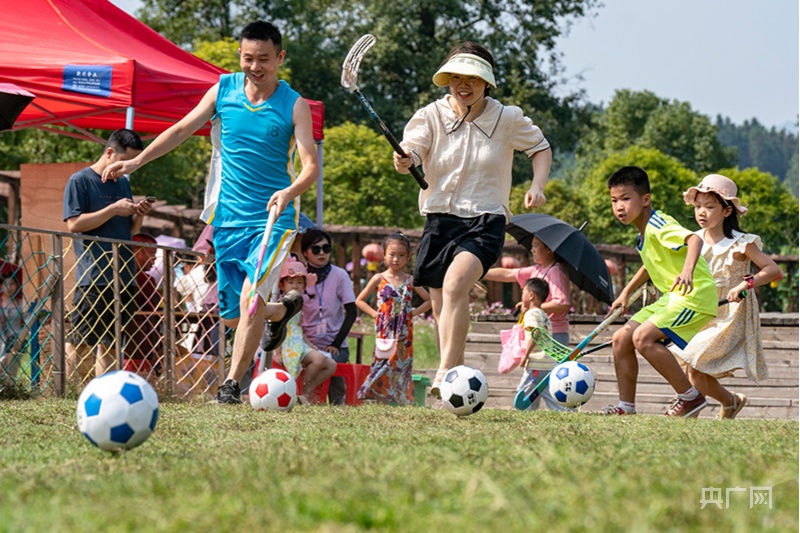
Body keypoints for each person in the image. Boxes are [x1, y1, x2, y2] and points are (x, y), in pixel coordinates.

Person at [103, 21, 320, 404]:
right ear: (240, 56)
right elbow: (183, 129)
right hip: (228, 219)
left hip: (273, 219)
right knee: (234, 316)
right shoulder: (224, 90)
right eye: (248, 58)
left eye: (264, 59)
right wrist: (136, 162)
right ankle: (279, 312)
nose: (255, 67)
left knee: (248, 300)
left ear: (280, 58)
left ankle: (231, 385)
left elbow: (310, 167)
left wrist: (289, 191)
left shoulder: (294, 104)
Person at [394, 41, 552, 396]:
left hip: (485, 219)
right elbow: (413, 150)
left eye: (472, 79)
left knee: (454, 286)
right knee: (442, 307)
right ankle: (457, 389)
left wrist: (537, 184)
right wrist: (407, 160)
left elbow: (541, 148)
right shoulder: (431, 115)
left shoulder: (506, 118)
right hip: (439, 220)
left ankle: (445, 370)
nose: (462, 85)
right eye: (454, 78)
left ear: (487, 82)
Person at [603, 166, 718, 417]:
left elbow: (694, 240)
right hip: (672, 298)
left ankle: (690, 398)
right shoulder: (643, 234)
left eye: (625, 198)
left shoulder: (658, 223)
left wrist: (687, 271)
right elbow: (650, 264)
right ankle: (626, 407)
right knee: (621, 338)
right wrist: (625, 293)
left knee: (642, 338)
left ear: (645, 200)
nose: (619, 206)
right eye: (614, 200)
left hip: (694, 295)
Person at [669, 174, 782, 419]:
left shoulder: (742, 243)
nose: (702, 212)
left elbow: (773, 270)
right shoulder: (693, 240)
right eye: (698, 206)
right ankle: (730, 401)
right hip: (700, 308)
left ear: (727, 210)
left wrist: (745, 284)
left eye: (710, 207)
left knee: (695, 361)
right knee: (692, 366)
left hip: (730, 313)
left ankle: (689, 414)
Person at [63, 129, 153, 381]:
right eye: (125, 162)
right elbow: (74, 224)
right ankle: (69, 393)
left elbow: (131, 230)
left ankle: (106, 394)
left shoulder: (123, 182)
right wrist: (113, 208)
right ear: (110, 152)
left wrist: (140, 213)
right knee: (80, 340)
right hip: (94, 276)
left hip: (125, 276)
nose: (126, 169)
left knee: (112, 344)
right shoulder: (80, 180)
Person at [355, 232, 431, 404]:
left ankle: (400, 399)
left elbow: (429, 301)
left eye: (401, 255)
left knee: (401, 363)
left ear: (408, 257)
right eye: (392, 255)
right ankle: (375, 396)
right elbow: (359, 301)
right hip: (384, 329)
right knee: (383, 360)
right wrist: (376, 315)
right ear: (384, 256)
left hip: (405, 332)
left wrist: (412, 313)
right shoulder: (378, 278)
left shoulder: (411, 280)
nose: (396, 259)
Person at [298, 228, 357, 405]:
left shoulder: (340, 275)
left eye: (326, 248)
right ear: (305, 253)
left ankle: (336, 403)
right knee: (315, 360)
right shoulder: (298, 276)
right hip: (305, 343)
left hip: (335, 344)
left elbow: (352, 312)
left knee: (331, 360)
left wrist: (336, 344)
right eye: (316, 249)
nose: (322, 253)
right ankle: (303, 395)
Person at [484, 236, 571, 346]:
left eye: (536, 246)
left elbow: (562, 304)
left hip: (553, 334)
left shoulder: (556, 271)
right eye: (532, 246)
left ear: (549, 249)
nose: (532, 250)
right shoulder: (537, 269)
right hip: (537, 331)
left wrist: (532, 307)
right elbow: (508, 274)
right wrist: (478, 273)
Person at [273, 259, 336, 403]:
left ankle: (307, 389)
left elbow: (298, 328)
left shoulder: (299, 303)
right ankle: (303, 390)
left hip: (298, 341)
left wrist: (309, 344)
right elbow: (276, 327)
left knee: (331, 365)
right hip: (286, 343)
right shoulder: (282, 304)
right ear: (282, 285)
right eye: (291, 282)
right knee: (318, 359)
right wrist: (277, 351)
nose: (295, 286)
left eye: (299, 282)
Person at [514, 277, 569, 411]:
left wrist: (526, 355)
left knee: (524, 389)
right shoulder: (544, 315)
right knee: (545, 391)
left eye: (523, 293)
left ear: (531, 295)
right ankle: (562, 410)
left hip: (536, 361)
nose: (522, 296)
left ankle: (522, 412)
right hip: (548, 361)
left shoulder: (531, 314)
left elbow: (536, 334)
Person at [0, 269, 30, 388]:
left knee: (12, 371)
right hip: (2, 340)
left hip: (17, 339)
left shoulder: (20, 303)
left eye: (12, 284)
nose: (9, 287)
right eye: (6, 284)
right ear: (1, 285)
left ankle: (8, 391)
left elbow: (28, 319)